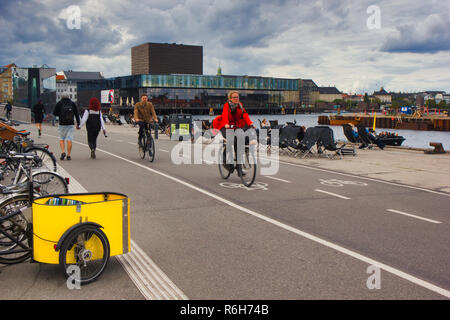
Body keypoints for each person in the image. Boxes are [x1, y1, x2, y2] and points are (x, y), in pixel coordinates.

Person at [53, 95, 80, 160]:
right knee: (69, 140)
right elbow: (76, 114)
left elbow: (54, 113)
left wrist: (60, 114)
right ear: (69, 97)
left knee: (61, 139)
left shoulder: (59, 103)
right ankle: (68, 155)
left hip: (62, 124)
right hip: (70, 124)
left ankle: (63, 152)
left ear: (62, 97)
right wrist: (78, 123)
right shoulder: (72, 103)